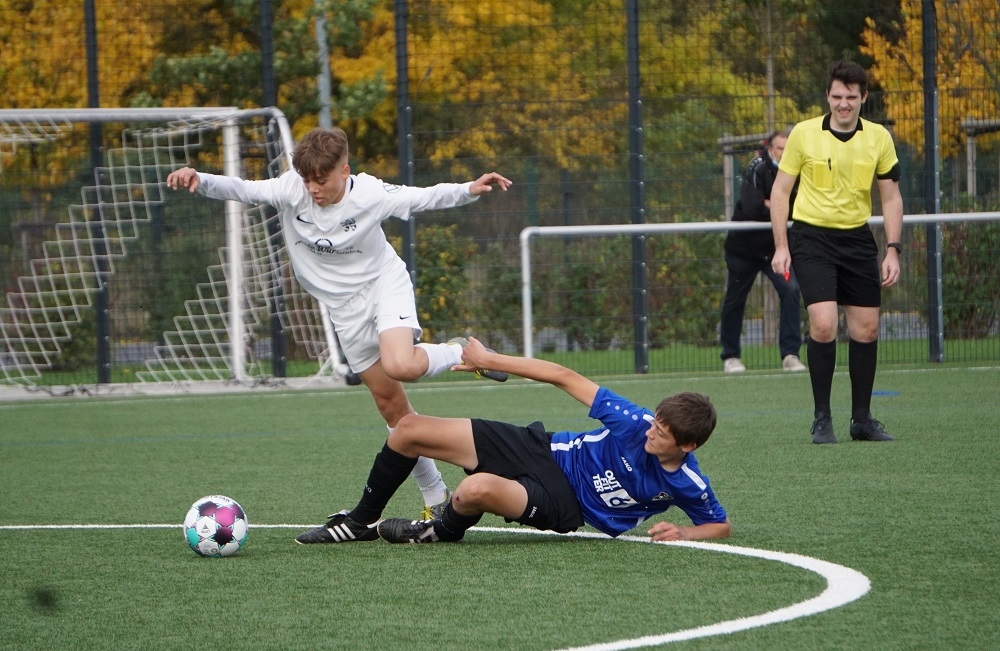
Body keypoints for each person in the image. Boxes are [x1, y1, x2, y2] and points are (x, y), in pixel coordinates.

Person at [166, 127, 513, 516]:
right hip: (343, 309)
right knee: (392, 409)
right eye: (307, 179)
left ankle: (457, 351)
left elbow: (422, 197)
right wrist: (200, 179)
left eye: (321, 179)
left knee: (401, 365)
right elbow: (244, 189)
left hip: (382, 286)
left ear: (344, 170)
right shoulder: (292, 189)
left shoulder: (370, 193)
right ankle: (435, 497)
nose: (312, 188)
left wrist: (469, 188)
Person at [294, 337, 731, 545]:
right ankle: (360, 521)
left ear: (687, 447)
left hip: (566, 504)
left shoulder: (686, 482)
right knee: (409, 430)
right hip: (542, 448)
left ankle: (438, 531)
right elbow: (563, 376)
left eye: (662, 434)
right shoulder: (635, 422)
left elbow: (720, 525)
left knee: (473, 490)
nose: (651, 432)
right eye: (655, 423)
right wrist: (490, 359)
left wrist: (685, 532)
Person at [769, 60, 904, 444]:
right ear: (827, 96)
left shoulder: (879, 138)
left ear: (863, 98)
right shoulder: (804, 134)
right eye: (837, 96)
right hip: (811, 238)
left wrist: (892, 250)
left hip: (857, 239)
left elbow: (891, 198)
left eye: (851, 97)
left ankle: (861, 420)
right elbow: (780, 191)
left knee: (867, 329)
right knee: (824, 323)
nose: (844, 103)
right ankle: (822, 418)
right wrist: (781, 246)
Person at [719, 129, 806, 374]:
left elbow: (802, 207)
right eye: (780, 148)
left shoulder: (800, 170)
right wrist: (781, 204)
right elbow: (751, 207)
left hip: (776, 251)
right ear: (770, 149)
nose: (784, 153)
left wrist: (772, 203)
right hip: (743, 250)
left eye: (789, 149)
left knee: (790, 290)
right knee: (735, 298)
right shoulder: (756, 168)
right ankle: (731, 356)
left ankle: (790, 354)